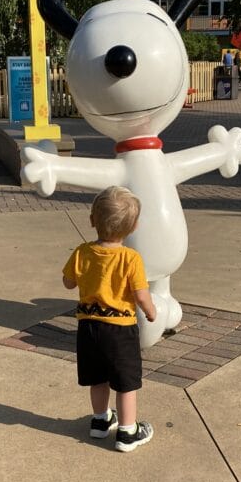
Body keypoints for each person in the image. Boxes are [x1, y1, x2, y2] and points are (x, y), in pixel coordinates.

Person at [62, 186, 157, 453]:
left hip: (88, 327)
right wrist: (151, 312)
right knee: (125, 383)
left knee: (98, 378)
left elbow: (68, 283)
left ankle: (100, 421)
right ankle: (128, 432)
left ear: (92, 220)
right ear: (134, 226)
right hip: (120, 331)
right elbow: (141, 294)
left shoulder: (82, 252)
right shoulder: (130, 258)